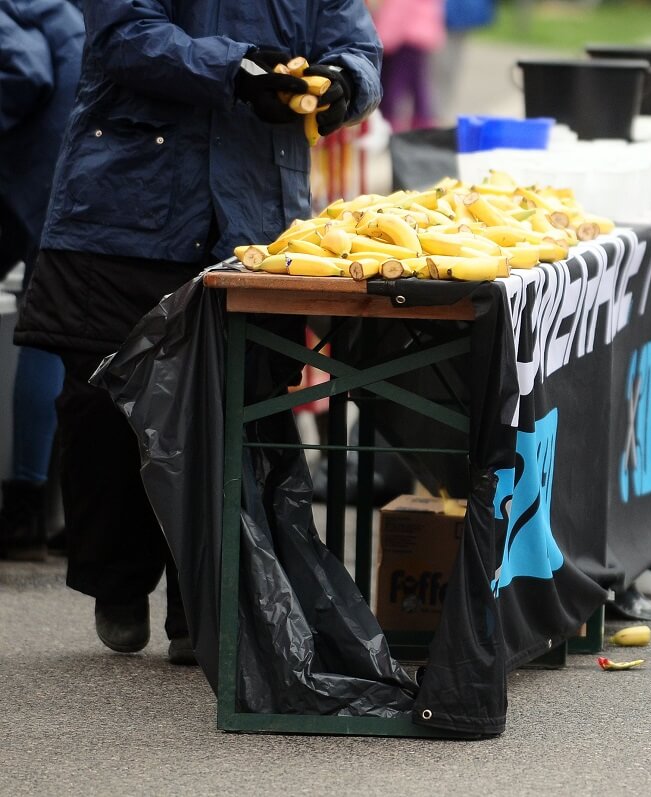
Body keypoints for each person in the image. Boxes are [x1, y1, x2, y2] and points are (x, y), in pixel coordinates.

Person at [15, 1, 382, 665]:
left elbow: (359, 49)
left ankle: (203, 601)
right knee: (104, 408)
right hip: (127, 206)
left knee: (240, 415)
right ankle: (118, 579)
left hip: (253, 217)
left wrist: (341, 83)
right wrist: (236, 70)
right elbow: (125, 36)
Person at [0, 0, 80, 562]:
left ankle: (24, 509)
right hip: (72, 154)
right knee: (60, 319)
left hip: (45, 163)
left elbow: (22, 69)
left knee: (42, 317)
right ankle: (52, 509)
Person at [370, 0, 445, 132]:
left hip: (404, 37)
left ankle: (388, 123)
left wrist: (383, 39)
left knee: (394, 84)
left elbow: (398, 10)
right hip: (420, 34)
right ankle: (423, 122)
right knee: (418, 84)